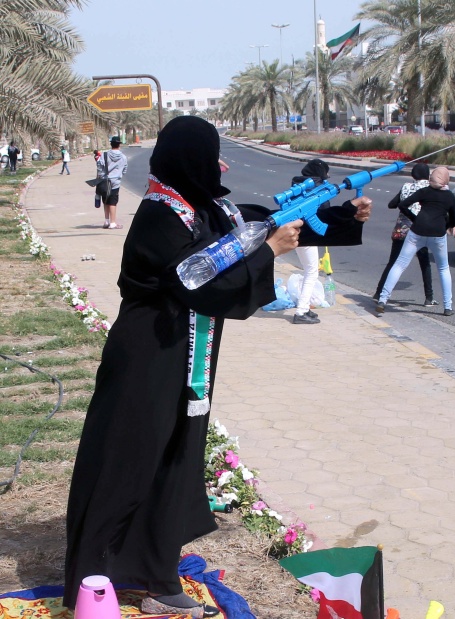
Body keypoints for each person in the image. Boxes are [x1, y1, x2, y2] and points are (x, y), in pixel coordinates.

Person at [63, 116, 372, 618]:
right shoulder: (161, 215)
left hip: (188, 359)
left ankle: (156, 576)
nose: (218, 165)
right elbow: (198, 278)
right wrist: (269, 252)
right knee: (128, 461)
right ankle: (93, 581)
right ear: (191, 159)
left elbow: (260, 221)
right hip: (148, 358)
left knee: (175, 461)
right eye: (210, 155)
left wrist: (345, 219)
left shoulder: (204, 207)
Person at [376, 166, 455, 317]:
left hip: (417, 231)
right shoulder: (450, 196)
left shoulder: (424, 191)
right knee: (443, 268)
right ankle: (447, 307)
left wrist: (414, 218)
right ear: (446, 179)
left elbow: (402, 204)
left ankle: (382, 300)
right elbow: (454, 218)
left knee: (399, 265)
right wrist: (447, 225)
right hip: (438, 235)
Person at [373, 163, 437, 306]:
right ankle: (429, 297)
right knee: (424, 263)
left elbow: (391, 204)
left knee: (393, 263)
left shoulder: (406, 186)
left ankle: (378, 292)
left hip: (401, 229)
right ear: (427, 175)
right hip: (419, 229)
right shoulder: (429, 188)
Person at [289, 159, 328, 325]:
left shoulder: (297, 183)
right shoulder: (316, 186)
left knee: (308, 270)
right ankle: (301, 311)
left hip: (297, 231)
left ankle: (304, 307)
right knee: (312, 271)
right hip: (307, 233)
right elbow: (325, 208)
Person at [97, 136, 129, 229]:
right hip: (116, 182)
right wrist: (119, 174)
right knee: (113, 202)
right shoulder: (123, 157)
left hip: (105, 181)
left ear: (111, 144)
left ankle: (106, 221)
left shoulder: (104, 155)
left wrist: (101, 175)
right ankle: (113, 223)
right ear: (119, 144)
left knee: (106, 201)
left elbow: (99, 166)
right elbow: (125, 169)